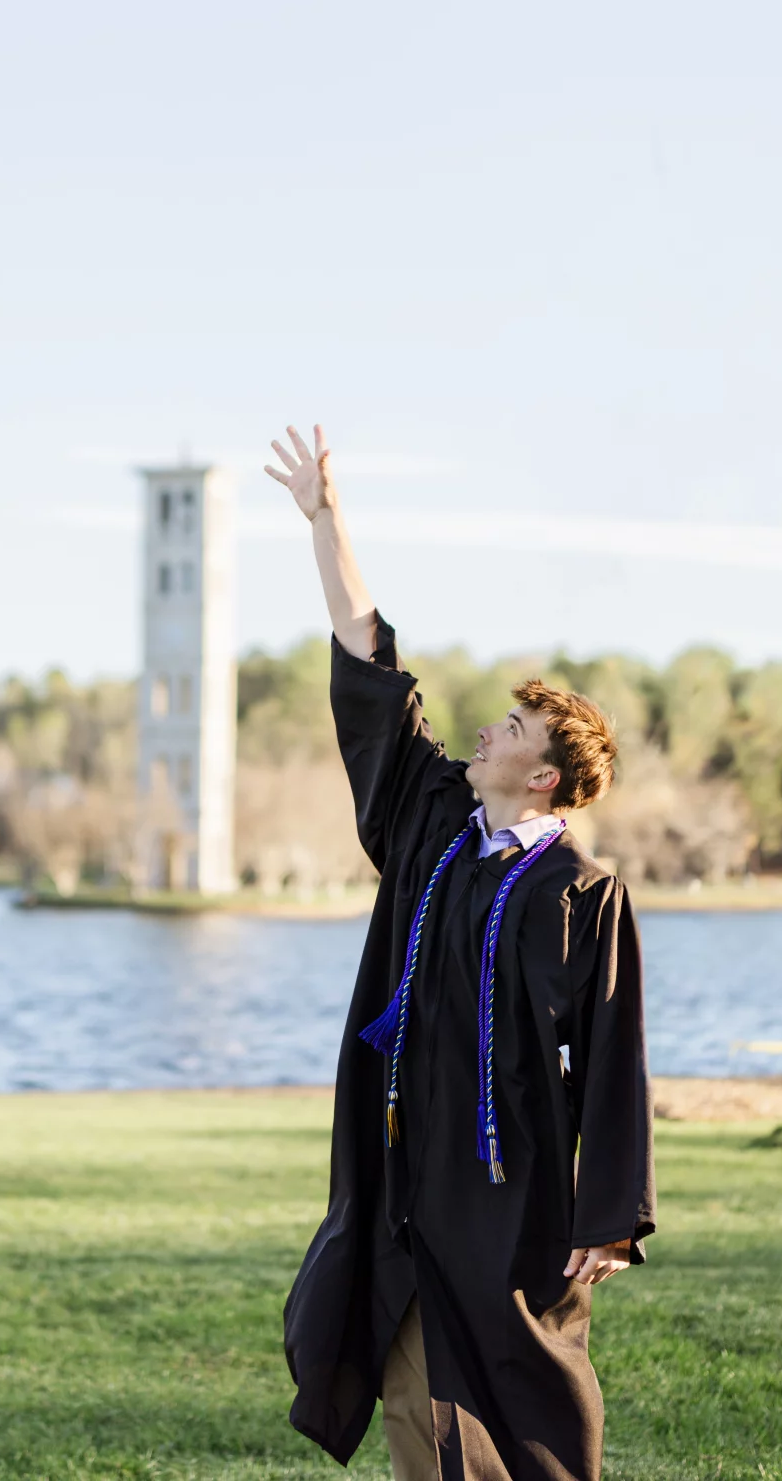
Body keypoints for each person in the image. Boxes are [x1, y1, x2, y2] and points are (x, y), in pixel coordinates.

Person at [265, 425, 656, 1481]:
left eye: (516, 726)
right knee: (408, 1376)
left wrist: (611, 1215)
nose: (490, 727)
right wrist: (325, 520)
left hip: (509, 1183)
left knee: (526, 1395)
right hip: (402, 1156)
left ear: (546, 777)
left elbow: (615, 1053)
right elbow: (369, 669)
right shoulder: (433, 820)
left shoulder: (579, 890)